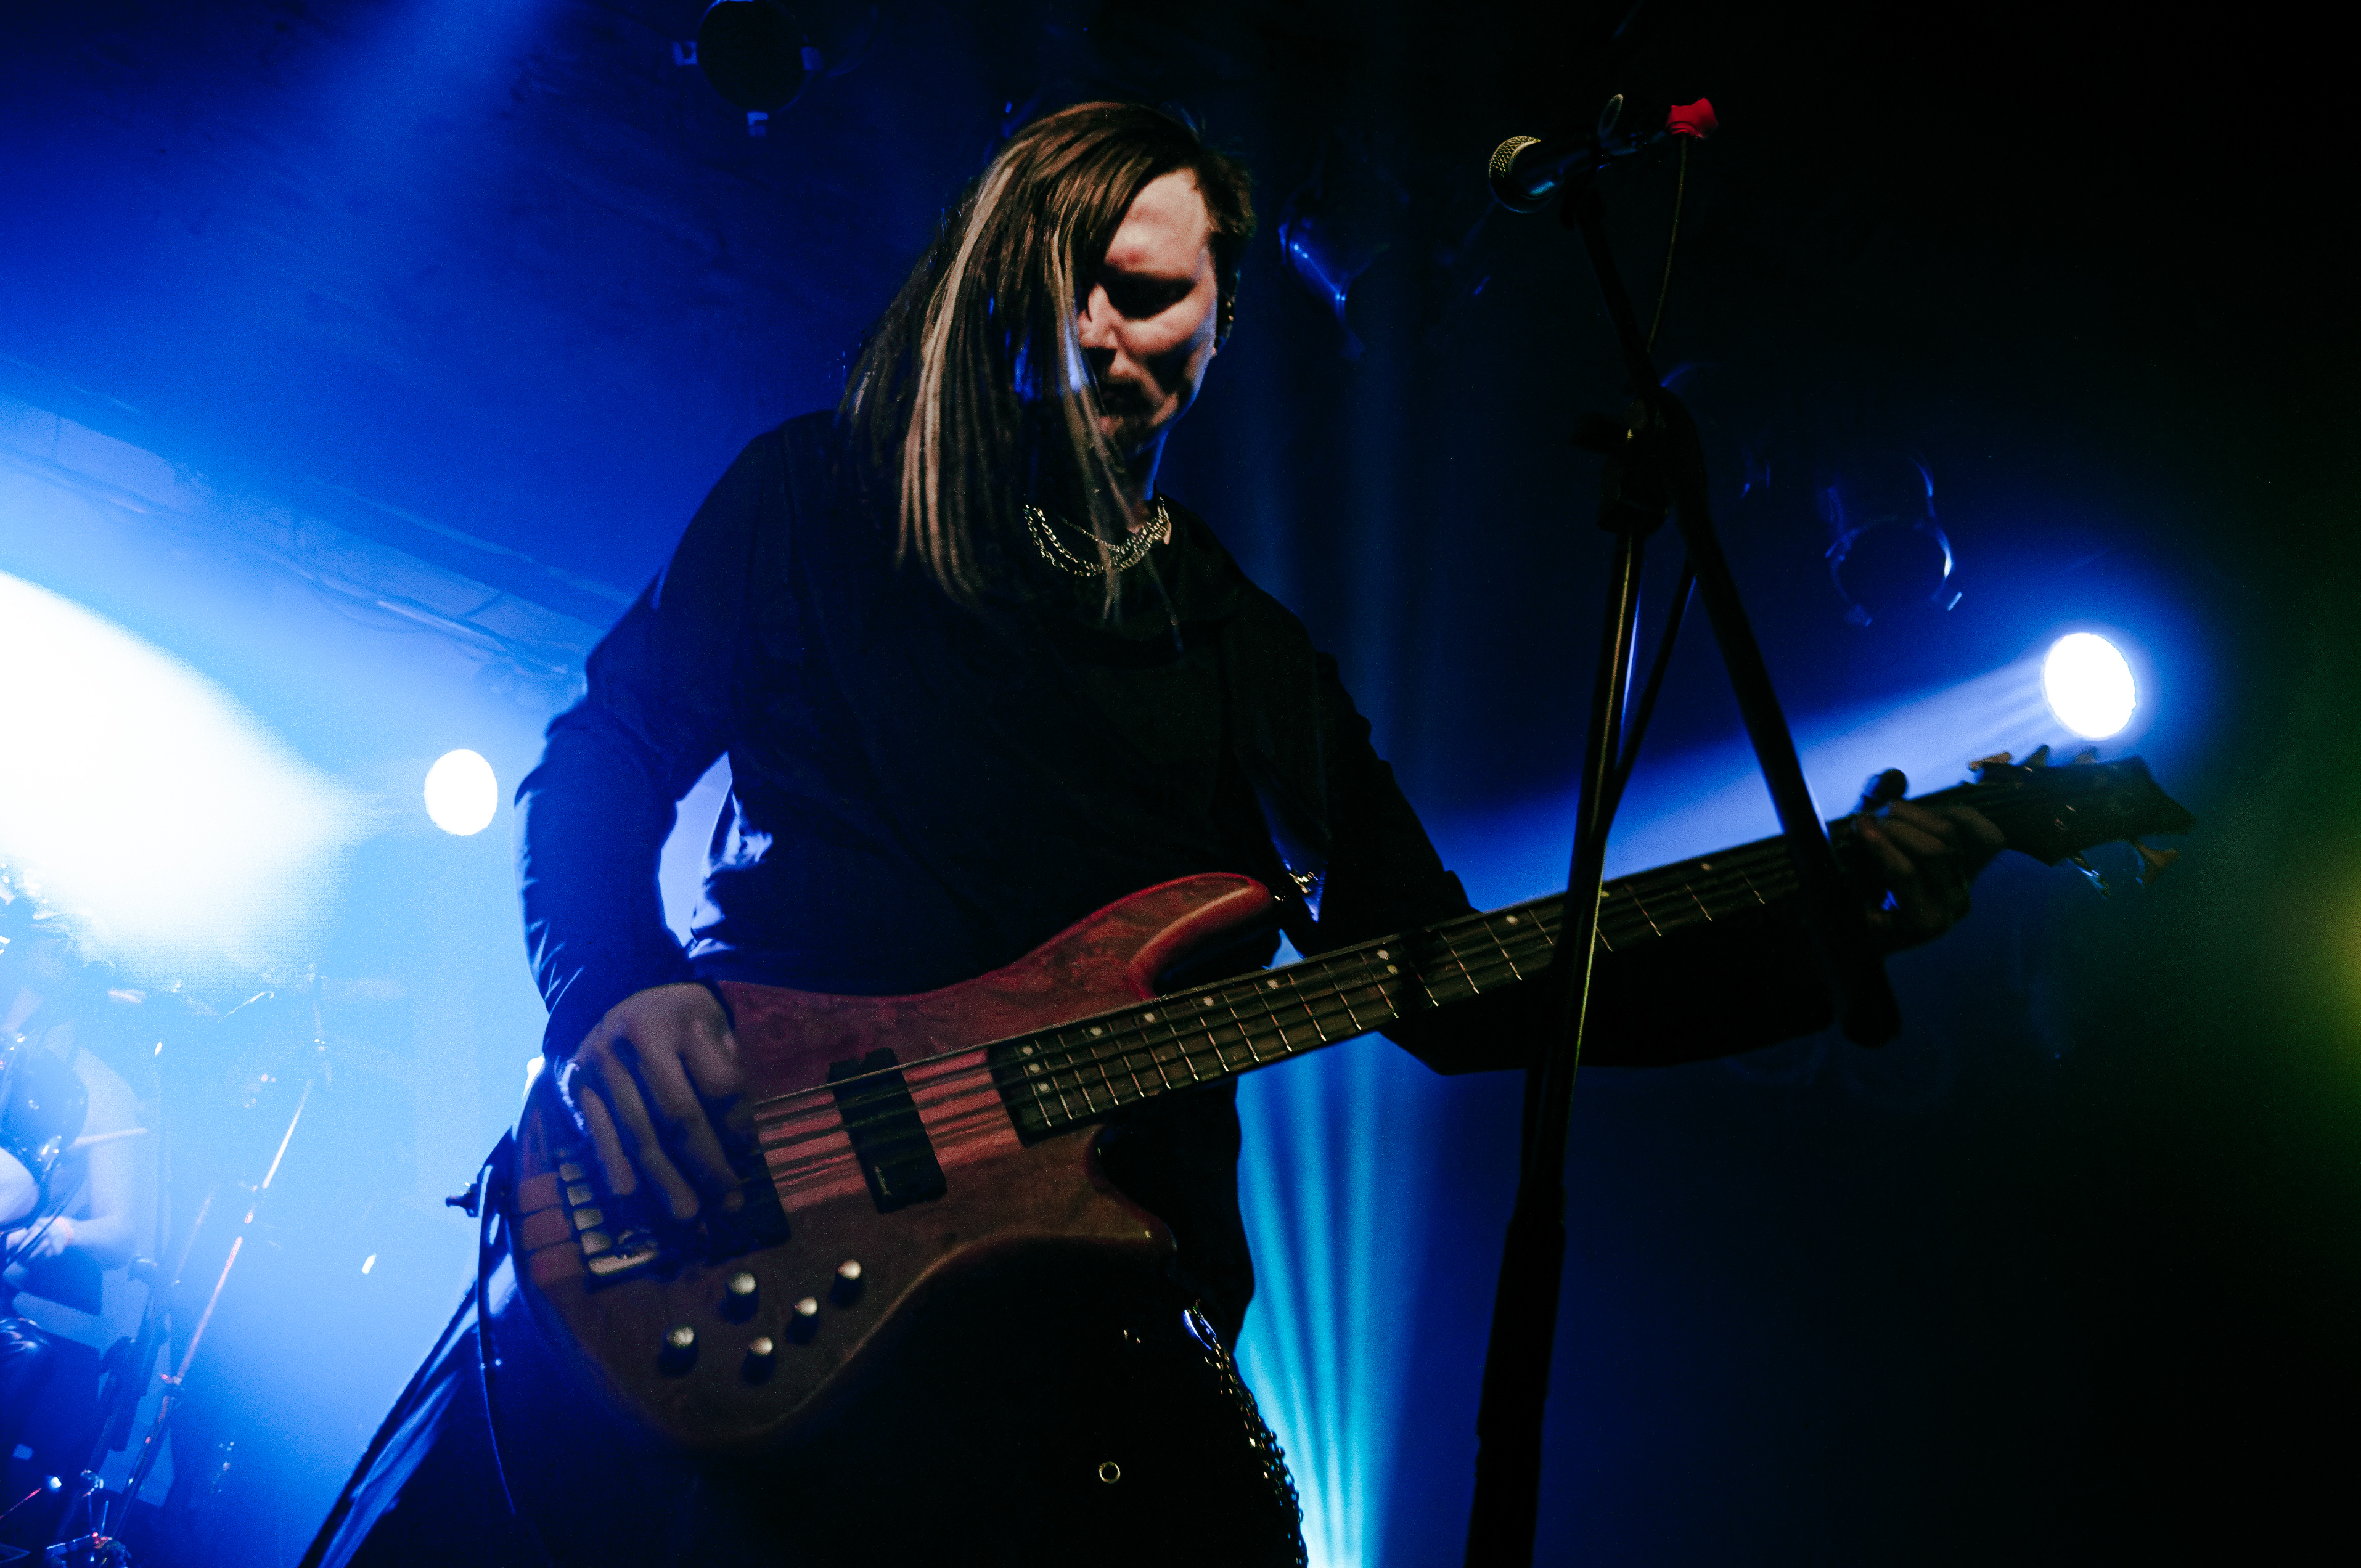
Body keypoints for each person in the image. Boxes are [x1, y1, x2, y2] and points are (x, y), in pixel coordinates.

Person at [311, 102, 1999, 1568]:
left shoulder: (1246, 657)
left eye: (1147, 294)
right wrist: (613, 984)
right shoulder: (824, 496)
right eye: (1062, 289)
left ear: (1223, 321)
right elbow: (603, 758)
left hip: (1083, 1338)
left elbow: (1455, 990)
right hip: (742, 1209)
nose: (1096, 336)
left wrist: (1813, 937)